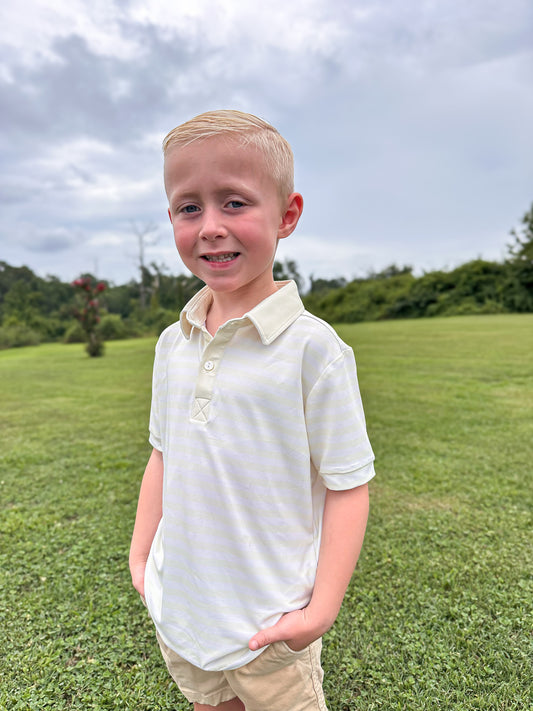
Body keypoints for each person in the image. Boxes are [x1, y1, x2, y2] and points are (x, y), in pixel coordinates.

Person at [129, 109, 375, 711]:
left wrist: (321, 609)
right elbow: (163, 454)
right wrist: (141, 557)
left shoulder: (314, 351)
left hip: (270, 620)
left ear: (287, 215)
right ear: (171, 218)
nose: (210, 226)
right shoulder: (172, 343)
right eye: (190, 208)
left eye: (234, 202)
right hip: (183, 606)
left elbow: (349, 486)